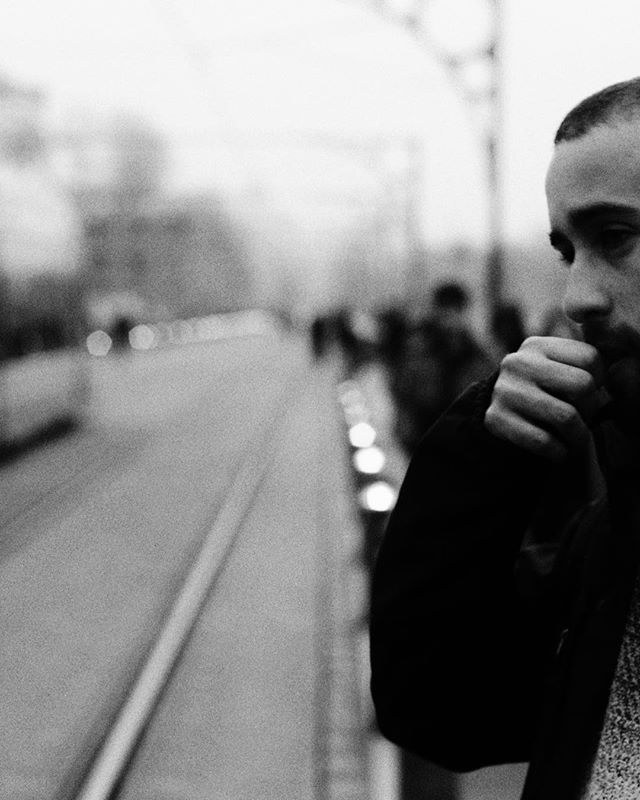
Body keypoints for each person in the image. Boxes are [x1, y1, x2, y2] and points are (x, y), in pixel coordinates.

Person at [370, 76, 640, 800]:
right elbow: (438, 706)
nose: (577, 298)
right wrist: (479, 454)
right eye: (567, 251)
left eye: (617, 236)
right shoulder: (612, 544)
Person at [390, 281, 495, 455]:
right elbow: (403, 390)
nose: (450, 317)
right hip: (424, 428)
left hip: (462, 434)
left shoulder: (477, 352)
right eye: (445, 309)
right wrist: (404, 427)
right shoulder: (418, 348)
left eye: (455, 309)